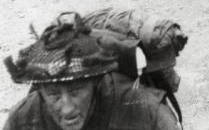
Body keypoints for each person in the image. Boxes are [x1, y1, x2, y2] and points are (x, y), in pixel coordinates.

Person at [3, 14, 181, 130]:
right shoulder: (22, 119)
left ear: (96, 82)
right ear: (40, 91)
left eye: (75, 91)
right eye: (53, 94)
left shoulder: (146, 111)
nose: (67, 108)